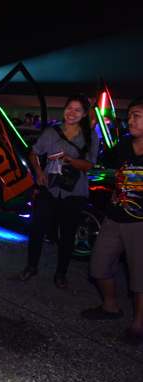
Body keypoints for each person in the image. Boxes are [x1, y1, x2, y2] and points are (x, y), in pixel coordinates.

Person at [17, 95, 98, 288]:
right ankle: (31, 266)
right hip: (49, 188)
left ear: (84, 114)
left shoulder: (90, 136)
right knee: (37, 229)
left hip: (74, 192)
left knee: (67, 235)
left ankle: (61, 274)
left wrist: (70, 159)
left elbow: (89, 165)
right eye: (69, 108)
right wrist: (38, 173)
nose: (72, 113)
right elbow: (34, 153)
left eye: (77, 110)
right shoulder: (51, 132)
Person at [81, 97, 143, 346]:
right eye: (130, 115)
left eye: (137, 116)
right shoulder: (124, 144)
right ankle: (110, 306)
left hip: (139, 224)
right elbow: (101, 165)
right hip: (114, 217)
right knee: (98, 266)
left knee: (139, 277)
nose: (131, 120)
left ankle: (139, 324)